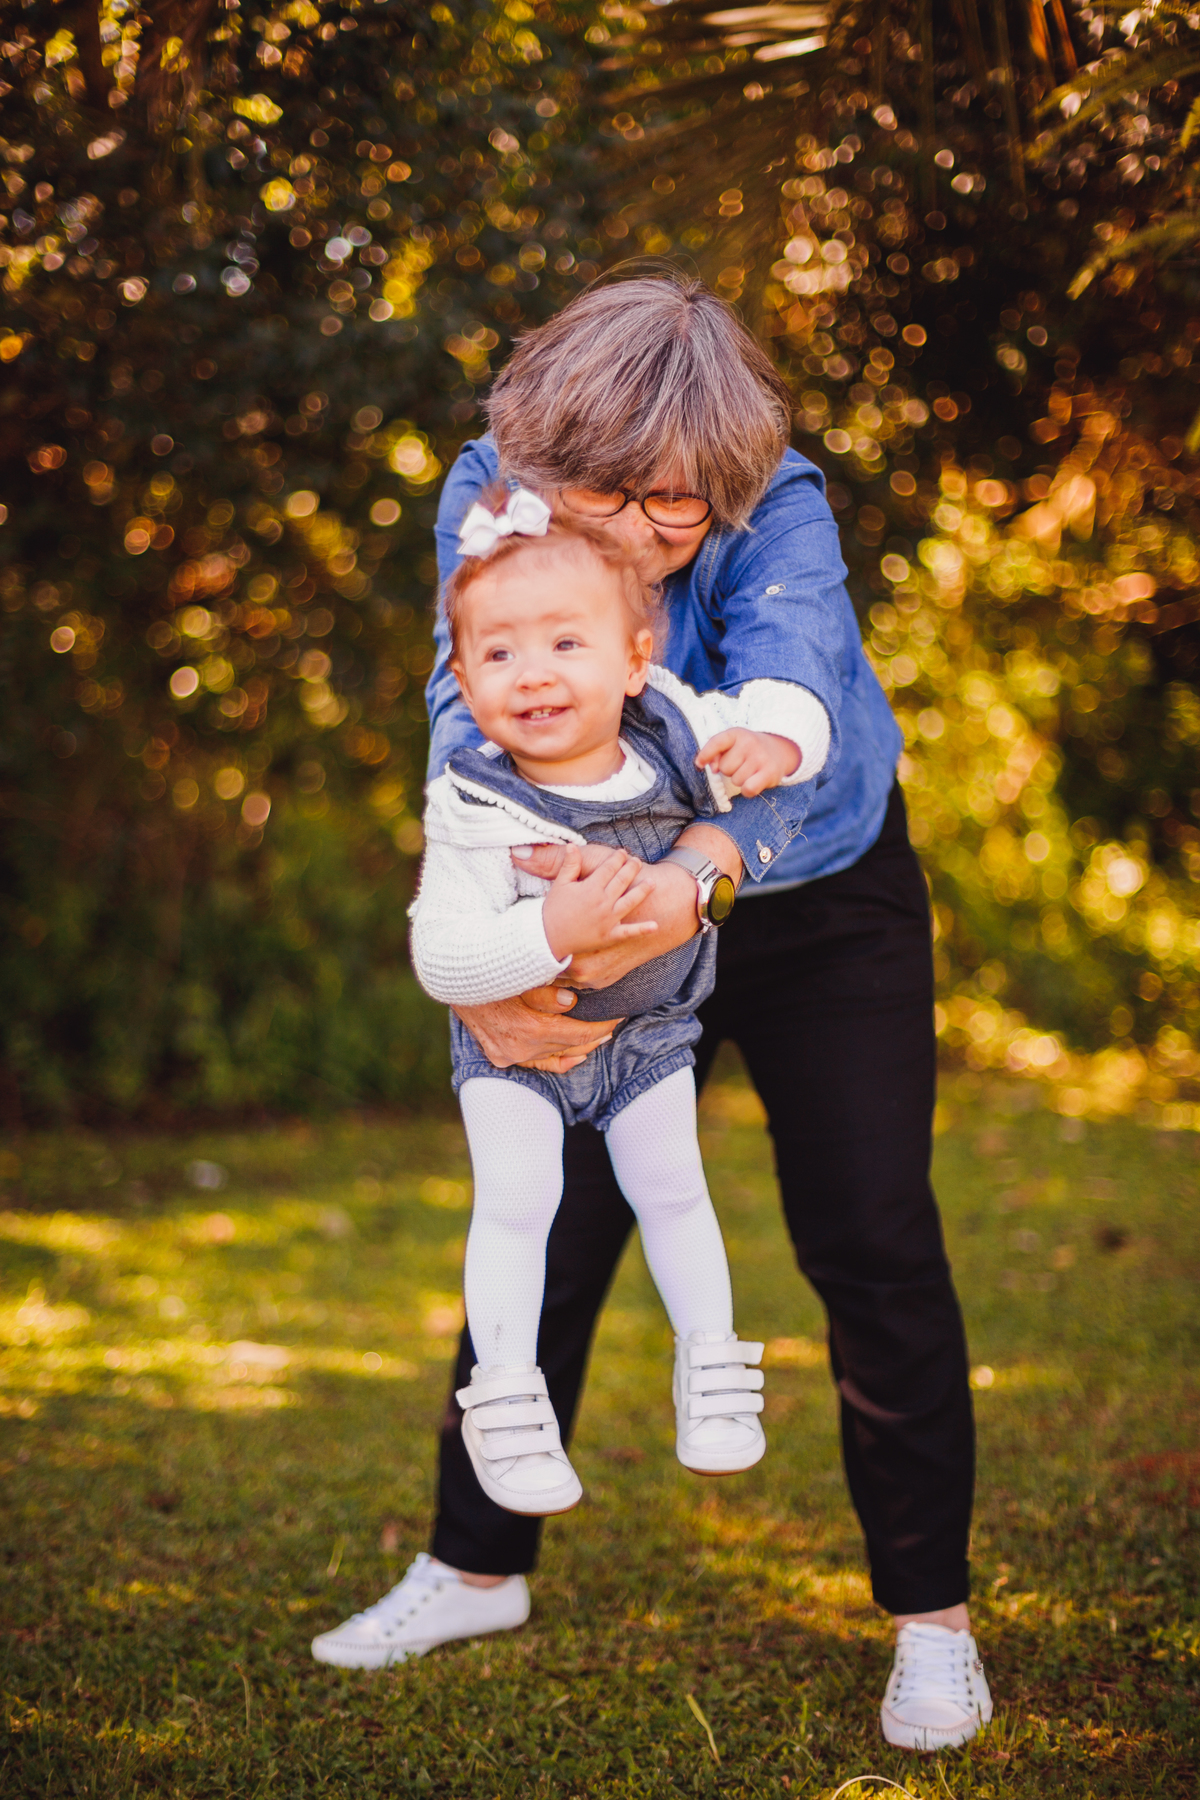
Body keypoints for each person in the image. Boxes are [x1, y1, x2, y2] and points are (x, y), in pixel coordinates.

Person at [311, 273, 993, 1755]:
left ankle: (931, 1622)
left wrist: (701, 862)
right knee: (548, 1223)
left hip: (812, 893)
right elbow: (463, 700)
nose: (629, 537)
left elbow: (795, 695)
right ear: (540, 456)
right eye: (597, 498)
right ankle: (475, 1563)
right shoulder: (491, 488)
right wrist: (516, 951)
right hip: (592, 895)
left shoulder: (772, 495)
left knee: (871, 1237)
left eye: (669, 510)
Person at [407, 487, 818, 1517]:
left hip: (651, 1035)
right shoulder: (474, 802)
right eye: (498, 655)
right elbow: (442, 957)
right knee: (518, 1205)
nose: (534, 672)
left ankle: (713, 1372)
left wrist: (779, 747)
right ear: (462, 677)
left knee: (675, 1189)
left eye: (564, 643)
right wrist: (553, 935)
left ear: (636, 659)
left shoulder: (674, 727)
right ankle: (506, 1402)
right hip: (519, 1052)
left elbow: (796, 710)